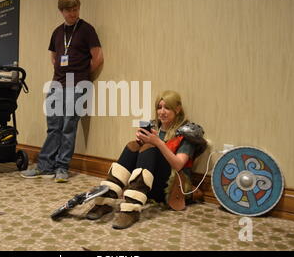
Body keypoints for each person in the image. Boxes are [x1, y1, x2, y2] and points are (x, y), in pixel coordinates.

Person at [86, 90, 207, 229]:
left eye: (167, 107)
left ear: (178, 109)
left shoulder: (186, 133)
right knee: (132, 145)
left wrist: (157, 143)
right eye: (159, 107)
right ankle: (105, 201)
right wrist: (141, 142)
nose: (162, 112)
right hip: (151, 186)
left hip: (172, 187)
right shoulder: (154, 127)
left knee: (150, 147)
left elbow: (179, 165)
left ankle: (131, 210)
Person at [21, 0, 103, 183]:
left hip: (77, 84)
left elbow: (98, 58)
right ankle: (45, 166)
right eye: (69, 10)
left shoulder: (86, 29)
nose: (73, 13)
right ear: (61, 11)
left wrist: (81, 74)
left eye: (76, 9)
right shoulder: (57, 32)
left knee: (68, 126)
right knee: (53, 127)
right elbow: (54, 57)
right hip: (57, 83)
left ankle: (62, 167)